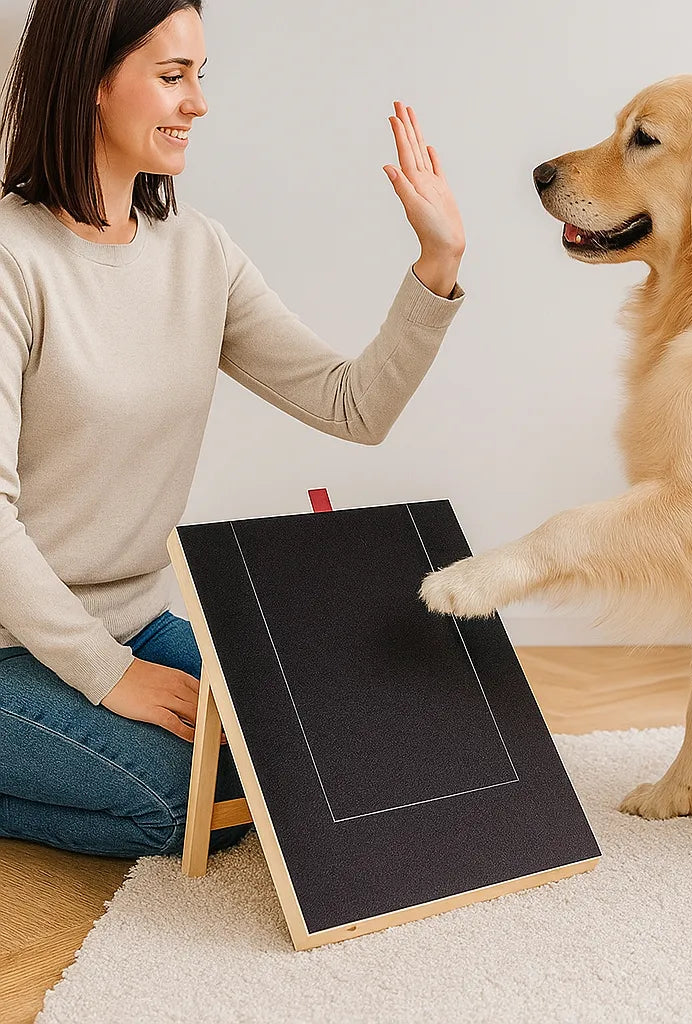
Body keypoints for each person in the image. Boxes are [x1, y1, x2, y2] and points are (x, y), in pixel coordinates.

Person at [0, 0, 466, 859]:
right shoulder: (11, 259)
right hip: (8, 644)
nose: (199, 102)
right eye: (172, 76)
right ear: (93, 81)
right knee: (193, 801)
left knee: (304, 759)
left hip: (136, 619)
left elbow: (353, 406)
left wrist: (437, 263)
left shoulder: (199, 253)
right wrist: (107, 676)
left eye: (199, 76)